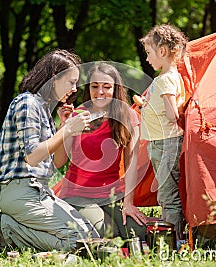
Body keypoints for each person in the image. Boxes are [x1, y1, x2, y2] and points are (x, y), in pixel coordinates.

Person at [0, 49, 99, 252]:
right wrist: (68, 130)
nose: (74, 89)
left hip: (40, 190)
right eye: (71, 82)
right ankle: (7, 228)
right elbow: (32, 156)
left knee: (91, 237)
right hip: (20, 190)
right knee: (82, 243)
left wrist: (65, 128)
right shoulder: (27, 103)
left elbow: (57, 162)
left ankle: (12, 228)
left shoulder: (44, 108)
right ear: (54, 78)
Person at [54, 62, 148, 242]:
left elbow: (131, 162)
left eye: (107, 87)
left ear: (116, 88)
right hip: (77, 195)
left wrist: (128, 203)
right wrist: (64, 128)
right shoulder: (77, 115)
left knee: (139, 232)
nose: (100, 92)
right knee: (108, 232)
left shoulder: (128, 115)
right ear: (88, 88)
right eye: (95, 86)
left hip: (111, 195)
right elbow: (59, 162)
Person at [138, 24, 188, 242]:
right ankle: (173, 234)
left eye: (149, 53)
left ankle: (173, 240)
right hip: (162, 142)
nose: (148, 59)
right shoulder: (172, 77)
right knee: (166, 191)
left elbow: (170, 113)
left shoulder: (165, 78)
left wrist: (150, 108)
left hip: (166, 143)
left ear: (162, 52)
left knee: (167, 195)